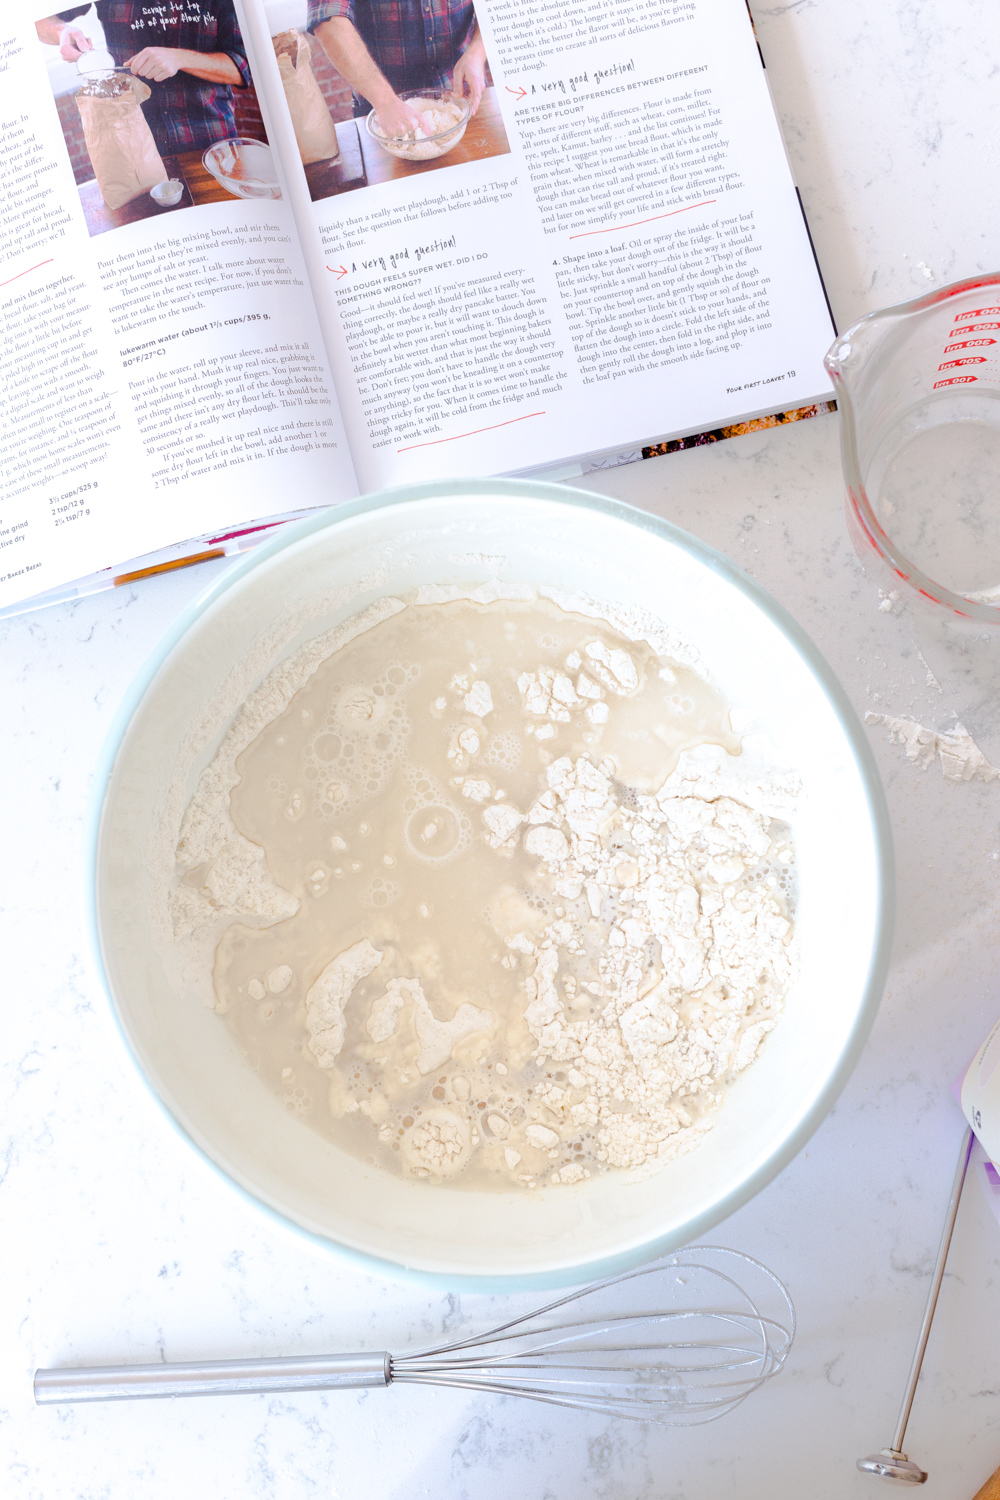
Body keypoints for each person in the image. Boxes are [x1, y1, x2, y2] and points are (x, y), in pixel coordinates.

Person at [36, 2, 251, 155]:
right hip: (132, 140)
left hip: (211, 139)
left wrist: (180, 58)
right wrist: (61, 32)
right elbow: (36, 17)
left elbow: (243, 66)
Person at [307, 0, 488, 138]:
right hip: (386, 115)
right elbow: (328, 19)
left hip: (466, 97)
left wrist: (478, 50)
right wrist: (384, 100)